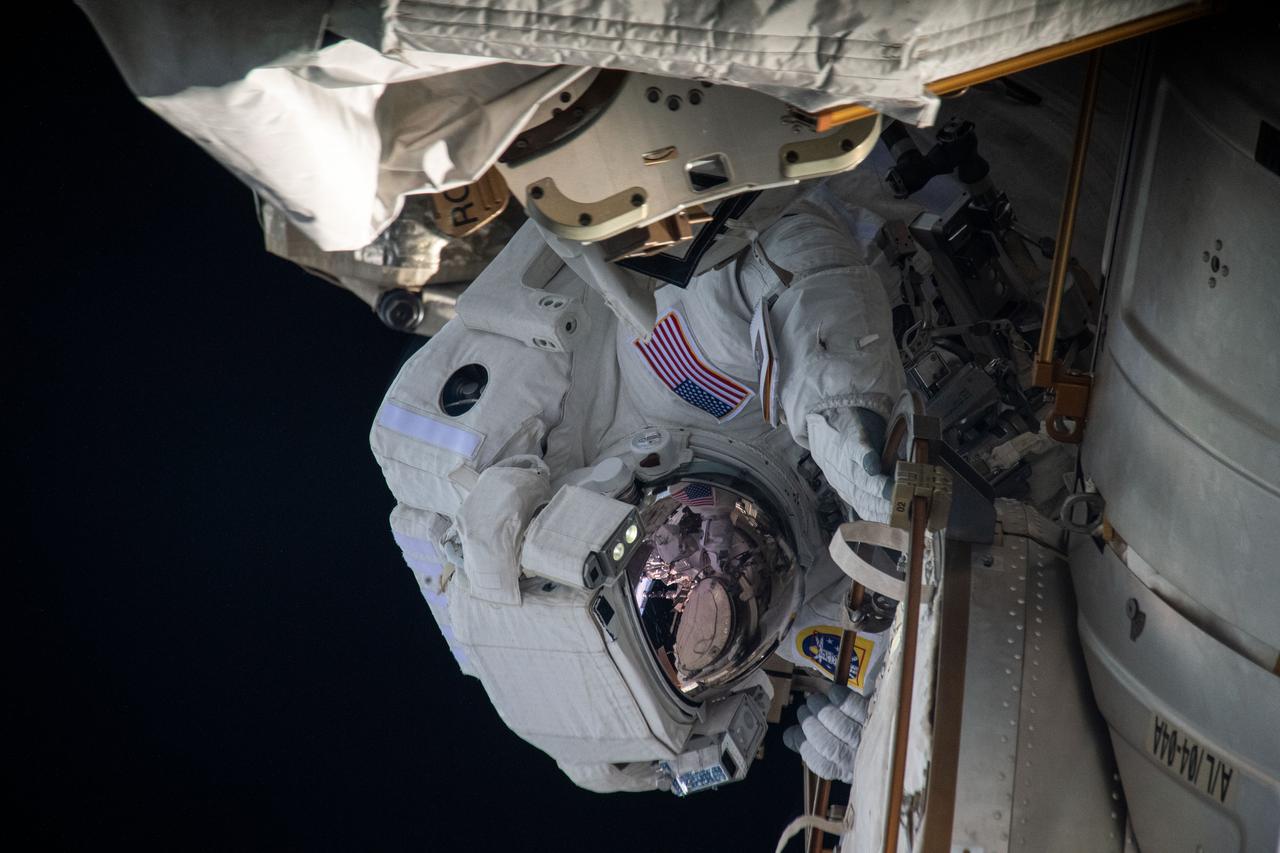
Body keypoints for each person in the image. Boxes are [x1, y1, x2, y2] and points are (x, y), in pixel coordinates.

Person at [370, 179, 906, 792]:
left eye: (671, 581)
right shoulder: (782, 608)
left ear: (613, 521)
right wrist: (877, 722)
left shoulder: (675, 380)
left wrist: (843, 418)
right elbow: (908, 625)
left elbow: (785, 254)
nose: (727, 572)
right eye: (709, 649)